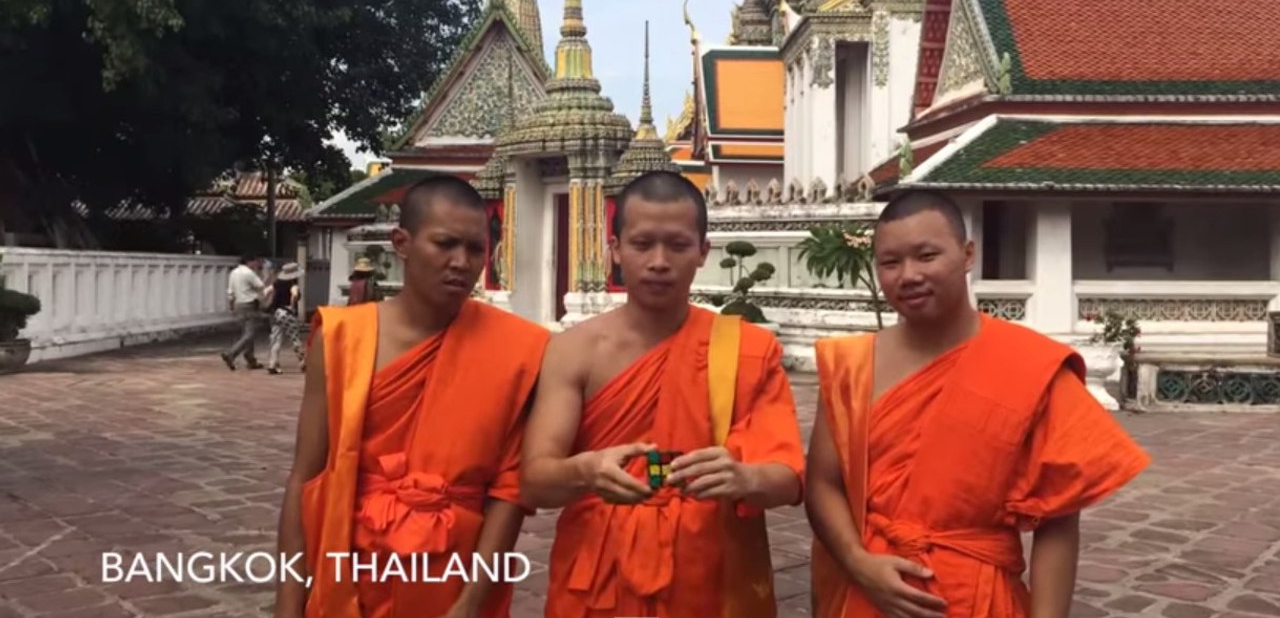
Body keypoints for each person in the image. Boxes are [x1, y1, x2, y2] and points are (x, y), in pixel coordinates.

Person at [805, 189, 1151, 618]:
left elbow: (1058, 518)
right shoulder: (850, 365)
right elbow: (822, 483)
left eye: (927, 256)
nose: (908, 275)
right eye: (890, 263)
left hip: (977, 597)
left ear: (968, 254)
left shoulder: (1030, 365)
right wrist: (859, 565)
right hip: (872, 593)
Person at [520, 170, 806, 618]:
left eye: (677, 245)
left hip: (708, 571)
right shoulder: (572, 350)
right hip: (598, 574)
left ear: (702, 252)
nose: (658, 261)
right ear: (614, 251)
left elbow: (788, 479)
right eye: (641, 244)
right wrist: (585, 470)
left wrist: (746, 478)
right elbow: (535, 481)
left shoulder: (745, 349)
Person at [274, 175, 551, 618]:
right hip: (351, 562)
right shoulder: (344, 337)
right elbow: (306, 479)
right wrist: (288, 607)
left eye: (476, 249)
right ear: (402, 243)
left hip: (455, 572)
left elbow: (509, 493)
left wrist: (470, 604)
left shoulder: (521, 350)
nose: (461, 262)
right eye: (445, 244)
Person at [222, 254, 266, 371]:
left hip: (238, 304)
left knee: (246, 332)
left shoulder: (234, 272)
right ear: (249, 262)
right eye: (255, 262)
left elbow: (230, 292)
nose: (257, 264)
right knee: (250, 333)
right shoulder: (249, 273)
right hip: (250, 304)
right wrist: (260, 273)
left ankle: (251, 359)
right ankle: (231, 353)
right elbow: (261, 285)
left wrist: (231, 307)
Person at [267, 262, 305, 375]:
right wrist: (292, 307)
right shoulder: (293, 285)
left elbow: (265, 292)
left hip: (276, 313)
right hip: (287, 313)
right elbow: (294, 295)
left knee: (276, 339)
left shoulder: (277, 284)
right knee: (295, 338)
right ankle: (302, 363)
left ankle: (272, 364)